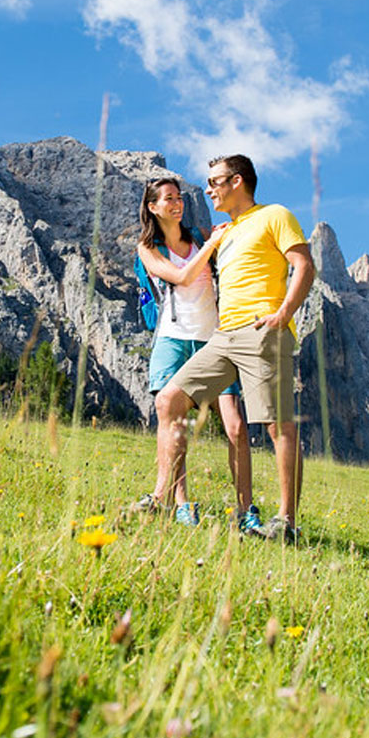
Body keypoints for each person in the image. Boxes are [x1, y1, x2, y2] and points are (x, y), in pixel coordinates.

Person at [153, 154, 315, 544]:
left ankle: (286, 522)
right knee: (169, 400)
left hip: (262, 331)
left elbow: (304, 265)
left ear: (237, 181)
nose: (209, 190)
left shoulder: (275, 215)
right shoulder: (224, 233)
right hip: (223, 337)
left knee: (276, 424)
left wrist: (283, 314)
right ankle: (164, 498)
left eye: (215, 182)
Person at [130, 177, 250, 525]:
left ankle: (246, 511)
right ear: (153, 207)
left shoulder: (198, 237)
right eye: (168, 198)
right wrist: (211, 244)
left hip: (213, 339)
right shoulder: (148, 248)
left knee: (235, 425)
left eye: (179, 197)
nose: (177, 203)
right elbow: (180, 277)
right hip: (172, 339)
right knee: (173, 419)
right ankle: (178, 501)